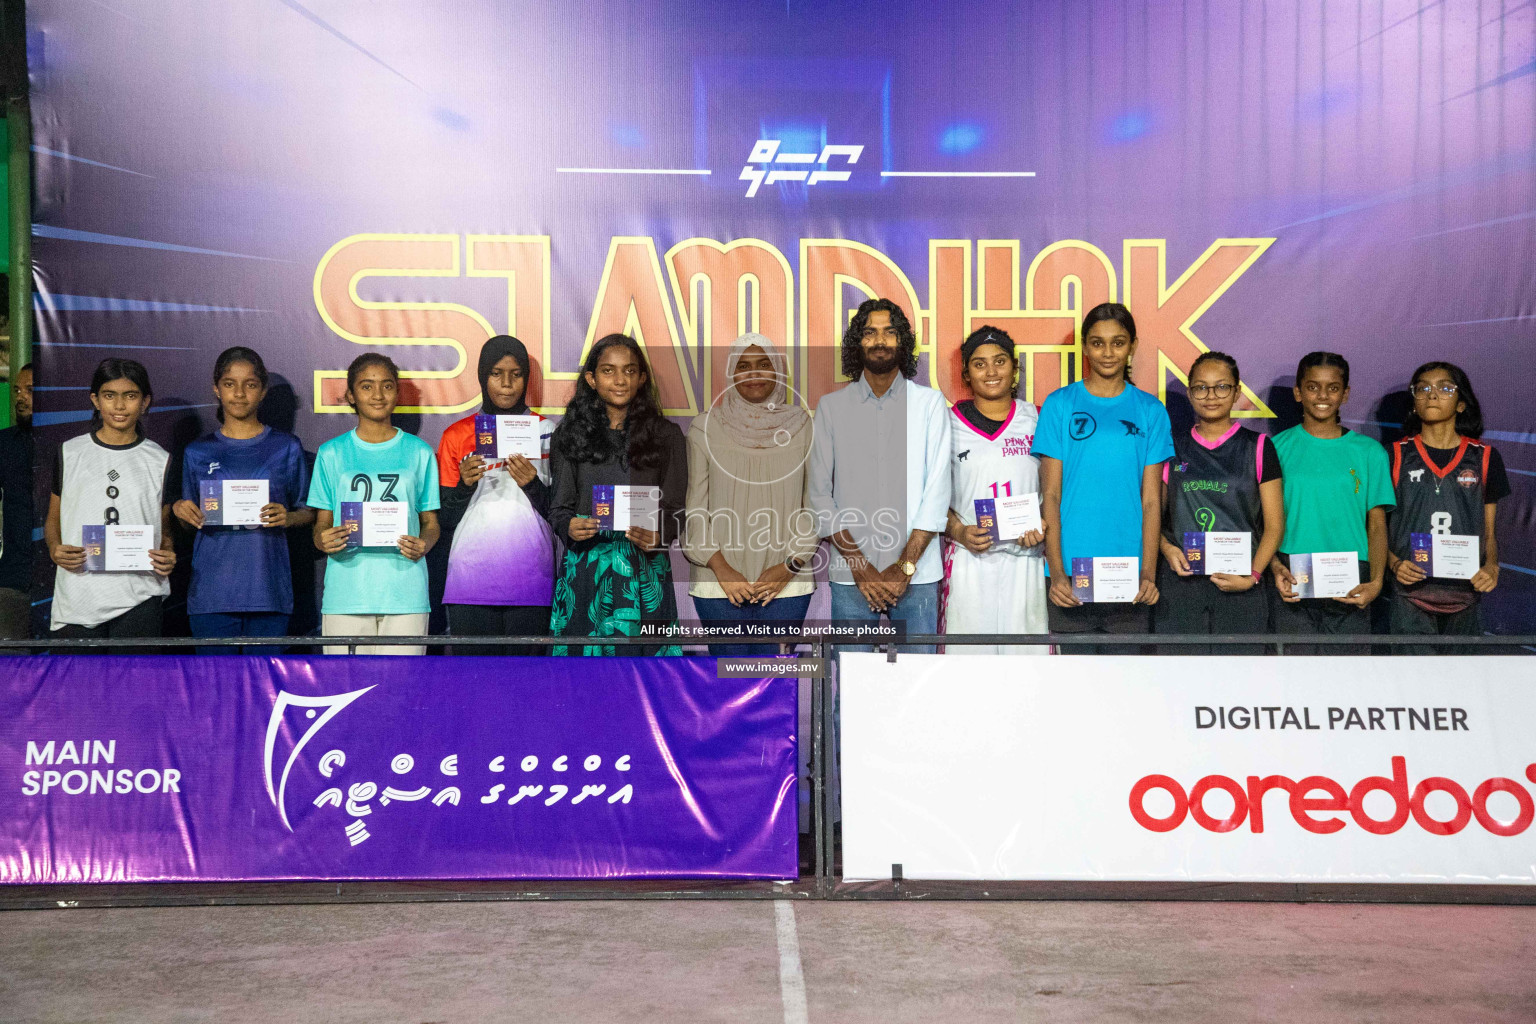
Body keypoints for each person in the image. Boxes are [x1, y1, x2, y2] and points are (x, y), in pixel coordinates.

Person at [808, 298, 950, 653]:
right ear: (858, 343)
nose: (880, 341)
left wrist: (904, 567)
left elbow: (937, 492)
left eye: (890, 332)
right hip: (851, 577)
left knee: (918, 686)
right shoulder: (831, 407)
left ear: (902, 342)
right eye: (870, 333)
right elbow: (819, 495)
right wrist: (861, 567)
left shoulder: (930, 404)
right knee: (852, 688)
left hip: (918, 574)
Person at [1035, 303, 1173, 653]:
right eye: (1097, 343)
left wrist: (1148, 574)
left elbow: (1152, 500)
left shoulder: (1151, 410)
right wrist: (1056, 572)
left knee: (1124, 693)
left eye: (1118, 342)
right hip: (1070, 578)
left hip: (1129, 578)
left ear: (1133, 346)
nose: (1108, 352)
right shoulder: (1060, 404)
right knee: (1074, 694)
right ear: (1084, 346)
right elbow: (1049, 495)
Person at [548, 334, 686, 656]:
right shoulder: (568, 435)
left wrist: (660, 535)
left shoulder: (667, 437)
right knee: (583, 682)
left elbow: (678, 509)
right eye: (609, 371)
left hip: (646, 569)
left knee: (646, 679)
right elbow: (559, 507)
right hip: (586, 568)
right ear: (592, 379)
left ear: (641, 378)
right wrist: (569, 525)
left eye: (629, 370)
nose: (620, 380)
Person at [683, 332, 818, 656]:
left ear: (778, 372)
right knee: (729, 688)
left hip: (786, 584)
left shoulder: (804, 426)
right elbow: (695, 510)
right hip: (719, 584)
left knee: (774, 685)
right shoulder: (704, 428)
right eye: (743, 366)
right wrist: (723, 570)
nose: (754, 374)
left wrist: (788, 566)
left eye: (763, 365)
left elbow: (814, 508)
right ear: (731, 373)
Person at [172, 347, 312, 652]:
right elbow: (189, 524)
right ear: (216, 389)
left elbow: (308, 511)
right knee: (217, 691)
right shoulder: (198, 452)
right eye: (229, 384)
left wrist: (288, 517)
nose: (239, 393)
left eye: (249, 384)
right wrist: (181, 513)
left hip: (269, 590)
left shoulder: (286, 447)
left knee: (264, 692)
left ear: (262, 392)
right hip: (211, 593)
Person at [306, 353, 440, 655]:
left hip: (405, 592)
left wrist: (424, 544)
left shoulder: (419, 452)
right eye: (367, 387)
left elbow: (431, 524)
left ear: (397, 392)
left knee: (402, 693)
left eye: (387, 386)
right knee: (347, 693)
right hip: (347, 593)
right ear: (351, 395)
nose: (378, 395)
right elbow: (321, 525)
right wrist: (322, 540)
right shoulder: (331, 453)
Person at [1155, 351, 1284, 654]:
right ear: (1189, 393)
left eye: (1221, 387)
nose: (1210, 396)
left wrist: (1252, 576)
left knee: (1239, 684)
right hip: (1182, 583)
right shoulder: (1171, 446)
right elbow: (1152, 515)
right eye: (1201, 387)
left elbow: (1275, 525)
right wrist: (1166, 548)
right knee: (1180, 683)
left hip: (1241, 585)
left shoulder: (1259, 446)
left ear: (1237, 392)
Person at [435, 335, 556, 655]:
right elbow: (444, 517)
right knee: (474, 687)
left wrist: (532, 483)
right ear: (482, 376)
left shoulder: (547, 432)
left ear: (526, 379)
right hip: (470, 579)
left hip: (531, 577)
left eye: (516, 374)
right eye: (496, 373)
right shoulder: (457, 434)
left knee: (526, 686)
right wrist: (464, 487)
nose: (506, 384)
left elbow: (561, 514)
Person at [46, 358, 176, 648]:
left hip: (139, 596)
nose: (119, 406)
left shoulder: (161, 459)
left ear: (144, 402)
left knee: (133, 690)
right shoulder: (69, 452)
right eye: (109, 396)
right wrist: (55, 548)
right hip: (79, 595)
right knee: (80, 691)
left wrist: (167, 552)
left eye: (130, 396)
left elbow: (164, 528)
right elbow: (53, 518)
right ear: (95, 400)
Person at [1270, 352, 1394, 654]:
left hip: (1352, 579)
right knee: (1294, 680)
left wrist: (1376, 583)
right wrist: (1274, 567)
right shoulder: (1275, 448)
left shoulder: (1369, 452)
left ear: (1346, 393)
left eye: (1333, 387)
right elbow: (1263, 520)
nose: (1322, 395)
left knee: (1346, 681)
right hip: (1292, 575)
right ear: (1298, 393)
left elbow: (1377, 525)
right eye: (1312, 387)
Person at [1384, 362, 1506, 651]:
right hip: (1409, 594)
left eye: (1445, 387)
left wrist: (1492, 567)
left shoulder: (1484, 457)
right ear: (1414, 402)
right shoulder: (1394, 455)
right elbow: (1375, 526)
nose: (1432, 394)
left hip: (1465, 594)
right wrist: (1394, 563)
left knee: (1461, 689)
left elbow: (1489, 530)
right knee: (1411, 691)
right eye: (1423, 388)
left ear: (1462, 403)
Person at [940, 326, 1047, 655]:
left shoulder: (1038, 419)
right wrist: (958, 530)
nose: (991, 372)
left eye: (1000, 361)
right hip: (970, 561)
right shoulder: (946, 423)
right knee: (966, 672)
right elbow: (926, 495)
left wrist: (1045, 525)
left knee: (1029, 670)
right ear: (966, 374)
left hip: (1027, 562)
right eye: (979, 363)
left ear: (1015, 370)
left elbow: (1059, 491)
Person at [0, 363, 33, 645]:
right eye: (17, 390)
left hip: (70, 579)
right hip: (13, 578)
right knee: (12, 672)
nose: (20, 397)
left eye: (30, 390)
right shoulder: (4, 444)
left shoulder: (75, 446)